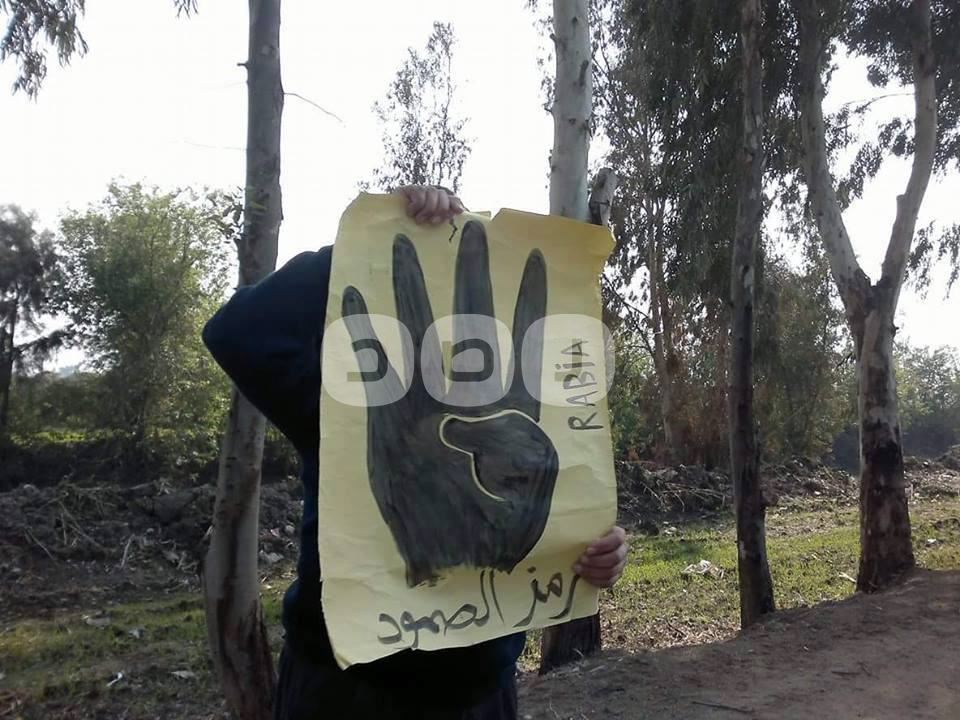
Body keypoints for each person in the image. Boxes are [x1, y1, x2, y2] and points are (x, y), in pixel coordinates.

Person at [203, 185, 629, 720]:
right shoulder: (341, 405)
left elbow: (571, 527)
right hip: (343, 688)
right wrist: (369, 243)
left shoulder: (525, 423)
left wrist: (594, 551)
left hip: (480, 690)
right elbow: (236, 330)